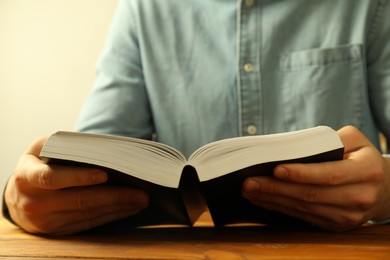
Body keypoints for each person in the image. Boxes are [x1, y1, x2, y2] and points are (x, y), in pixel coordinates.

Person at [3, 0, 390, 235]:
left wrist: (385, 192)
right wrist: (19, 202)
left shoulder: (371, 6)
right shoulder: (144, 9)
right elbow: (88, 170)